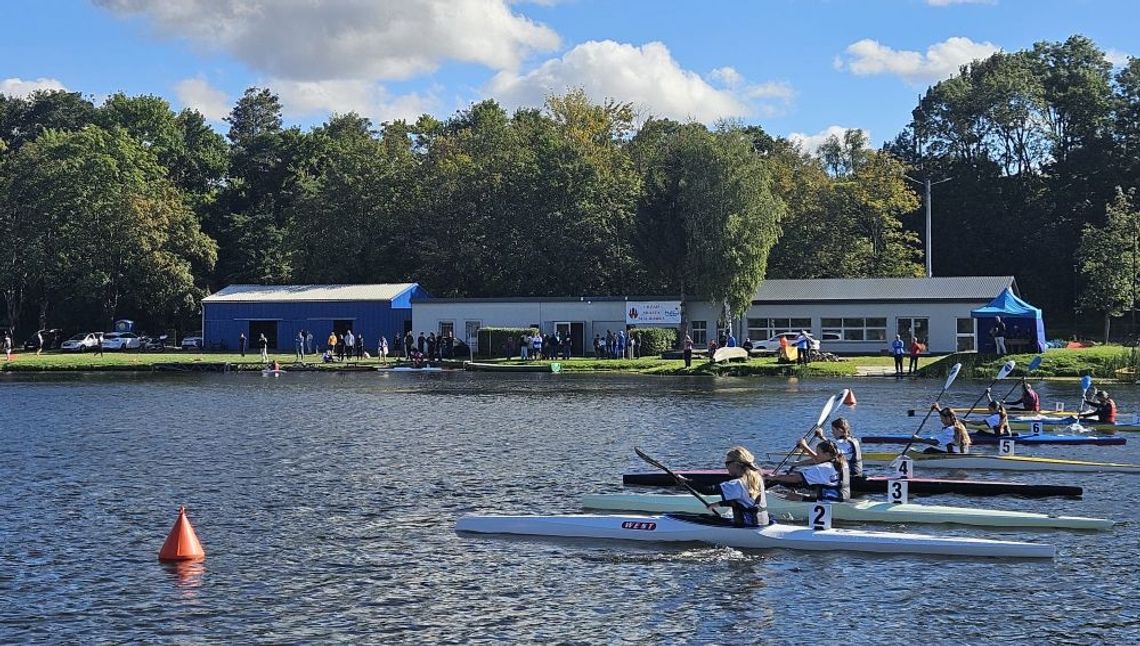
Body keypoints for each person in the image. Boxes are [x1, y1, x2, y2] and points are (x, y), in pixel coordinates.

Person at [765, 440, 849, 502]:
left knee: (791, 496)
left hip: (828, 502)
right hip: (842, 498)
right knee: (804, 492)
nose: (816, 456)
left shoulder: (823, 467)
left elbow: (796, 478)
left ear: (827, 454)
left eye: (818, 453)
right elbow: (817, 461)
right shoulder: (843, 462)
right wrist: (798, 463)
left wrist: (774, 478)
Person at [705, 446, 769, 527]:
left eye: (727, 463)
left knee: (704, 519)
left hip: (747, 527)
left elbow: (707, 491)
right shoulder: (756, 477)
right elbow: (744, 502)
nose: (726, 467)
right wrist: (717, 504)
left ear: (736, 464)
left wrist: (686, 481)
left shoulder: (738, 483)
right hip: (762, 523)